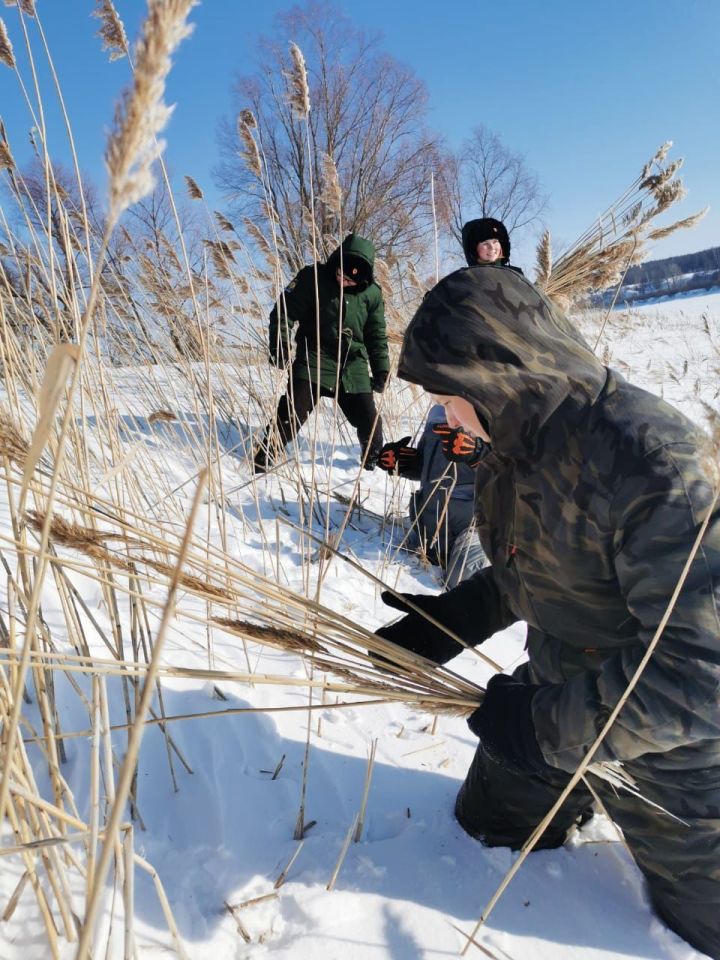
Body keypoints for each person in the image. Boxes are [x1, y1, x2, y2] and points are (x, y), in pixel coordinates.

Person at [375, 263, 720, 957]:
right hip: (557, 695)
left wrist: (540, 729)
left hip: (672, 757)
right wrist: (450, 623)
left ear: (500, 371)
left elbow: (702, 678)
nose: (444, 417)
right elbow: (530, 571)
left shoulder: (653, 463)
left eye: (450, 397)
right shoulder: (514, 441)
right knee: (483, 826)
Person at [253, 234, 389, 473]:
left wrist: (381, 369)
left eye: (350, 280)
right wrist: (280, 344)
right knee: (291, 416)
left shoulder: (373, 294)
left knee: (370, 423)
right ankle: (261, 462)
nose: (343, 281)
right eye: (340, 274)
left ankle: (371, 469)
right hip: (314, 357)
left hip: (352, 366)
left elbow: (376, 334)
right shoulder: (311, 278)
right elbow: (283, 311)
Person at [375, 405, 488, 588]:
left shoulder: (497, 408)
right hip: (428, 528)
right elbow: (431, 467)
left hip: (473, 529)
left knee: (469, 583)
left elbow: (513, 471)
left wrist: (477, 454)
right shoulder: (439, 410)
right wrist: (405, 462)